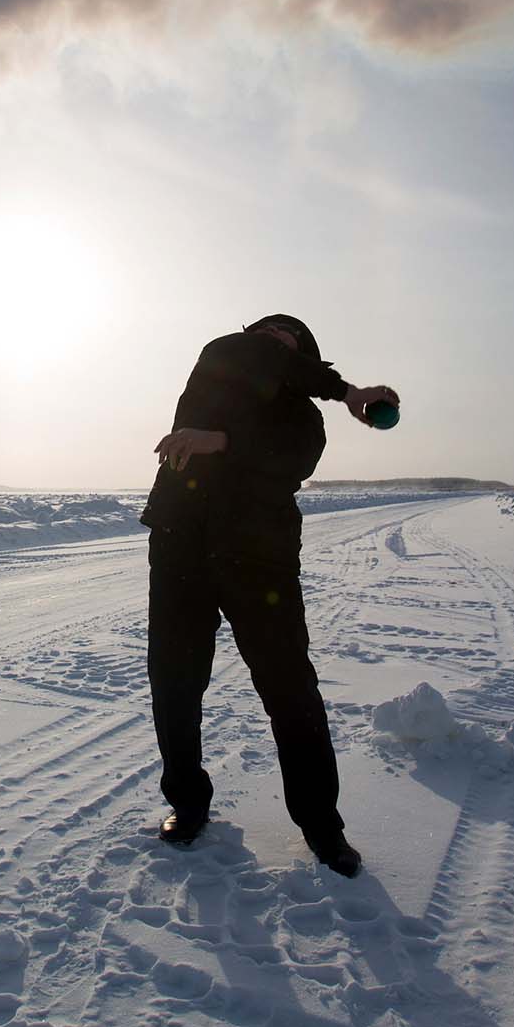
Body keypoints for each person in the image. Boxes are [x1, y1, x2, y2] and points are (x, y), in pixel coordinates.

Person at [140, 314, 400, 877]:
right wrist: (348, 390)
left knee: (290, 692)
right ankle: (186, 804)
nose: (270, 341)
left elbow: (285, 460)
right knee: (174, 683)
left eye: (287, 339)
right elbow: (253, 356)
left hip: (261, 562)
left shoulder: (305, 418)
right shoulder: (218, 365)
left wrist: (220, 442)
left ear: (305, 360)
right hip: (181, 547)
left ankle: (322, 827)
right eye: (263, 331)